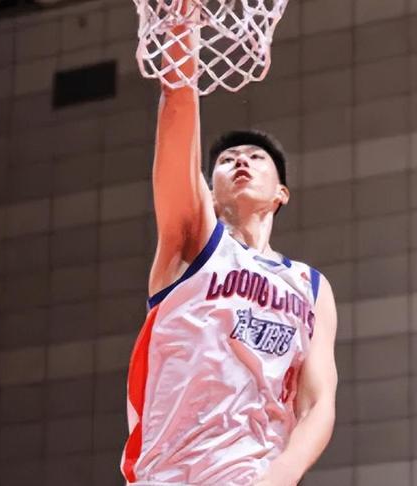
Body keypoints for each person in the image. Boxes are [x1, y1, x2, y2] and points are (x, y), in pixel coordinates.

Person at [121, 5, 338, 485]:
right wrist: (182, 26)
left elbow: (318, 402)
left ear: (281, 193)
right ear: (210, 190)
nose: (240, 161)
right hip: (172, 475)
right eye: (226, 160)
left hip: (253, 473)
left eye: (256, 157)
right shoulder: (194, 242)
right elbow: (178, 106)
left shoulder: (311, 286)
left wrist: (278, 476)